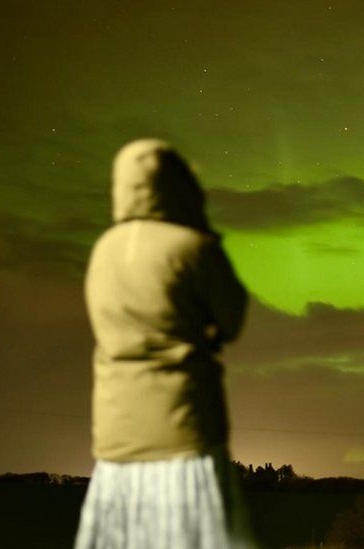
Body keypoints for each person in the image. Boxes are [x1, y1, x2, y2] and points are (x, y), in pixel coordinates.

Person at [74, 138, 254, 548]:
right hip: (184, 430)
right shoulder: (194, 247)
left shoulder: (103, 250)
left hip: (116, 435)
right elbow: (232, 318)